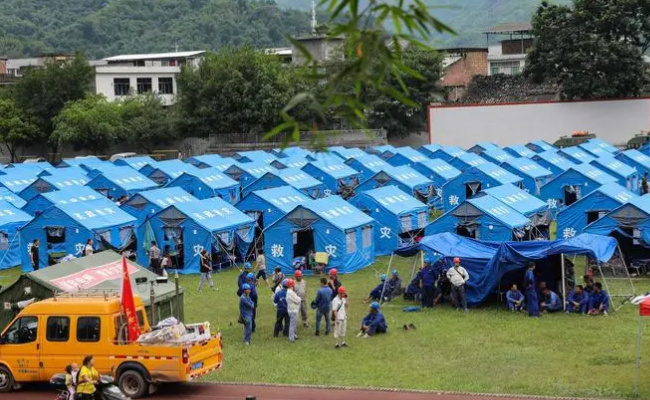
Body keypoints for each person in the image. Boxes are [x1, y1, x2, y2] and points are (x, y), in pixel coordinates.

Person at [286, 279, 301, 343]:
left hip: (291, 310)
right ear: (292, 285)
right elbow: (298, 300)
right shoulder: (291, 293)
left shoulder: (289, 291)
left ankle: (294, 335)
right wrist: (298, 298)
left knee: (294, 324)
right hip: (293, 311)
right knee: (292, 325)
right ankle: (291, 338)